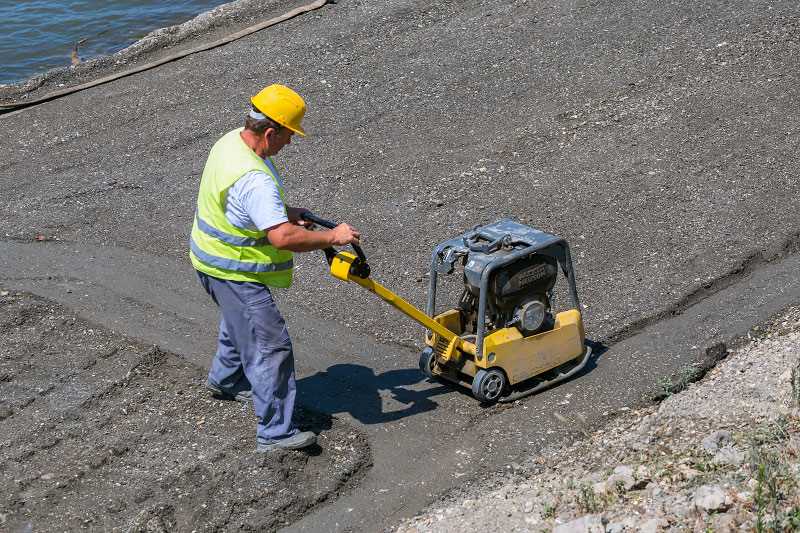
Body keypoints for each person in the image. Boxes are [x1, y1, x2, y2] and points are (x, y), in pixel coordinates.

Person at [189, 84, 360, 452]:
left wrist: (287, 212)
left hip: (209, 257)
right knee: (270, 345)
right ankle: (275, 433)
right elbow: (282, 238)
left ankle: (227, 381)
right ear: (271, 131)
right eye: (289, 136)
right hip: (232, 268)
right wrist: (333, 238)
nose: (290, 143)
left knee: (240, 322)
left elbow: (247, 210)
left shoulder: (230, 143)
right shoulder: (255, 179)